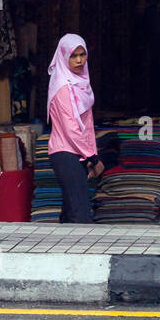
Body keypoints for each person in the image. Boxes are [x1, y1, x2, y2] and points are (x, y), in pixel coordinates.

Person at [46, 33, 103, 224]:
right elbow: (71, 128)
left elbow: (87, 126)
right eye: (73, 56)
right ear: (63, 57)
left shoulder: (82, 84)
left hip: (77, 153)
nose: (79, 60)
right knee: (81, 214)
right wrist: (92, 158)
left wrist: (90, 155)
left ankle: (61, 252)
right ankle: (85, 252)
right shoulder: (62, 86)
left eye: (82, 55)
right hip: (65, 153)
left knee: (71, 212)